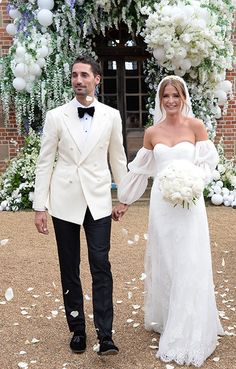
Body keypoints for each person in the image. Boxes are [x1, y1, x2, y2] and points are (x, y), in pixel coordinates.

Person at [113, 75, 224, 367]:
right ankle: (169, 316)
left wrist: (192, 182)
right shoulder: (152, 132)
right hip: (162, 208)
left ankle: (189, 326)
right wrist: (124, 198)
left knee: (190, 260)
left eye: (176, 95)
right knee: (167, 261)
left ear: (184, 98)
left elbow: (208, 164)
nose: (171, 101)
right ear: (160, 101)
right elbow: (140, 170)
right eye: (166, 97)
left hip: (190, 204)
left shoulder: (196, 126)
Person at [33, 55, 128, 355]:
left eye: (85, 75)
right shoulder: (55, 116)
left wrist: (123, 197)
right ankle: (77, 330)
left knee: (101, 265)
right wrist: (39, 206)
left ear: (97, 79)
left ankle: (106, 335)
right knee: (69, 268)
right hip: (64, 203)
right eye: (74, 75)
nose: (78, 80)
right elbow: (45, 162)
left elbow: (118, 158)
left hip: (98, 202)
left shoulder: (111, 116)